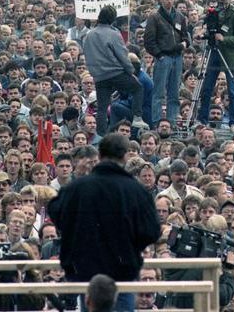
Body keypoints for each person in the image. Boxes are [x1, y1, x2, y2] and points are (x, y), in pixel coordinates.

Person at [48, 133, 160, 312]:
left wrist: (76, 233)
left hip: (85, 269)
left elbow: (55, 210)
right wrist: (132, 244)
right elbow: (152, 231)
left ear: (99, 156)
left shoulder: (78, 187)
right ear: (125, 156)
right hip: (123, 269)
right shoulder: (135, 190)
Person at [82, 5, 148, 134]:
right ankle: (137, 117)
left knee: (102, 107)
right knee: (138, 87)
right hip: (115, 73)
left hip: (99, 76)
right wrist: (131, 72)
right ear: (112, 19)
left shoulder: (88, 36)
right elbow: (122, 55)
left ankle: (101, 134)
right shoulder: (113, 34)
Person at [197, 0, 234, 129]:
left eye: (224, 0)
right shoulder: (214, 12)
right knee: (207, 87)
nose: (222, 3)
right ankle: (202, 119)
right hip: (214, 53)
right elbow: (210, 29)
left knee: (232, 91)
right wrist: (203, 34)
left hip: (230, 57)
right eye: (219, 1)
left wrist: (225, 39)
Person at [144, 0, 190, 128]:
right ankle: (156, 122)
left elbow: (185, 36)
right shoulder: (154, 17)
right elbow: (149, 41)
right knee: (158, 92)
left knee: (174, 92)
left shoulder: (180, 17)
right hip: (164, 57)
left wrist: (184, 44)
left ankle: (172, 123)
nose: (169, 2)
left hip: (177, 57)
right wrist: (159, 55)